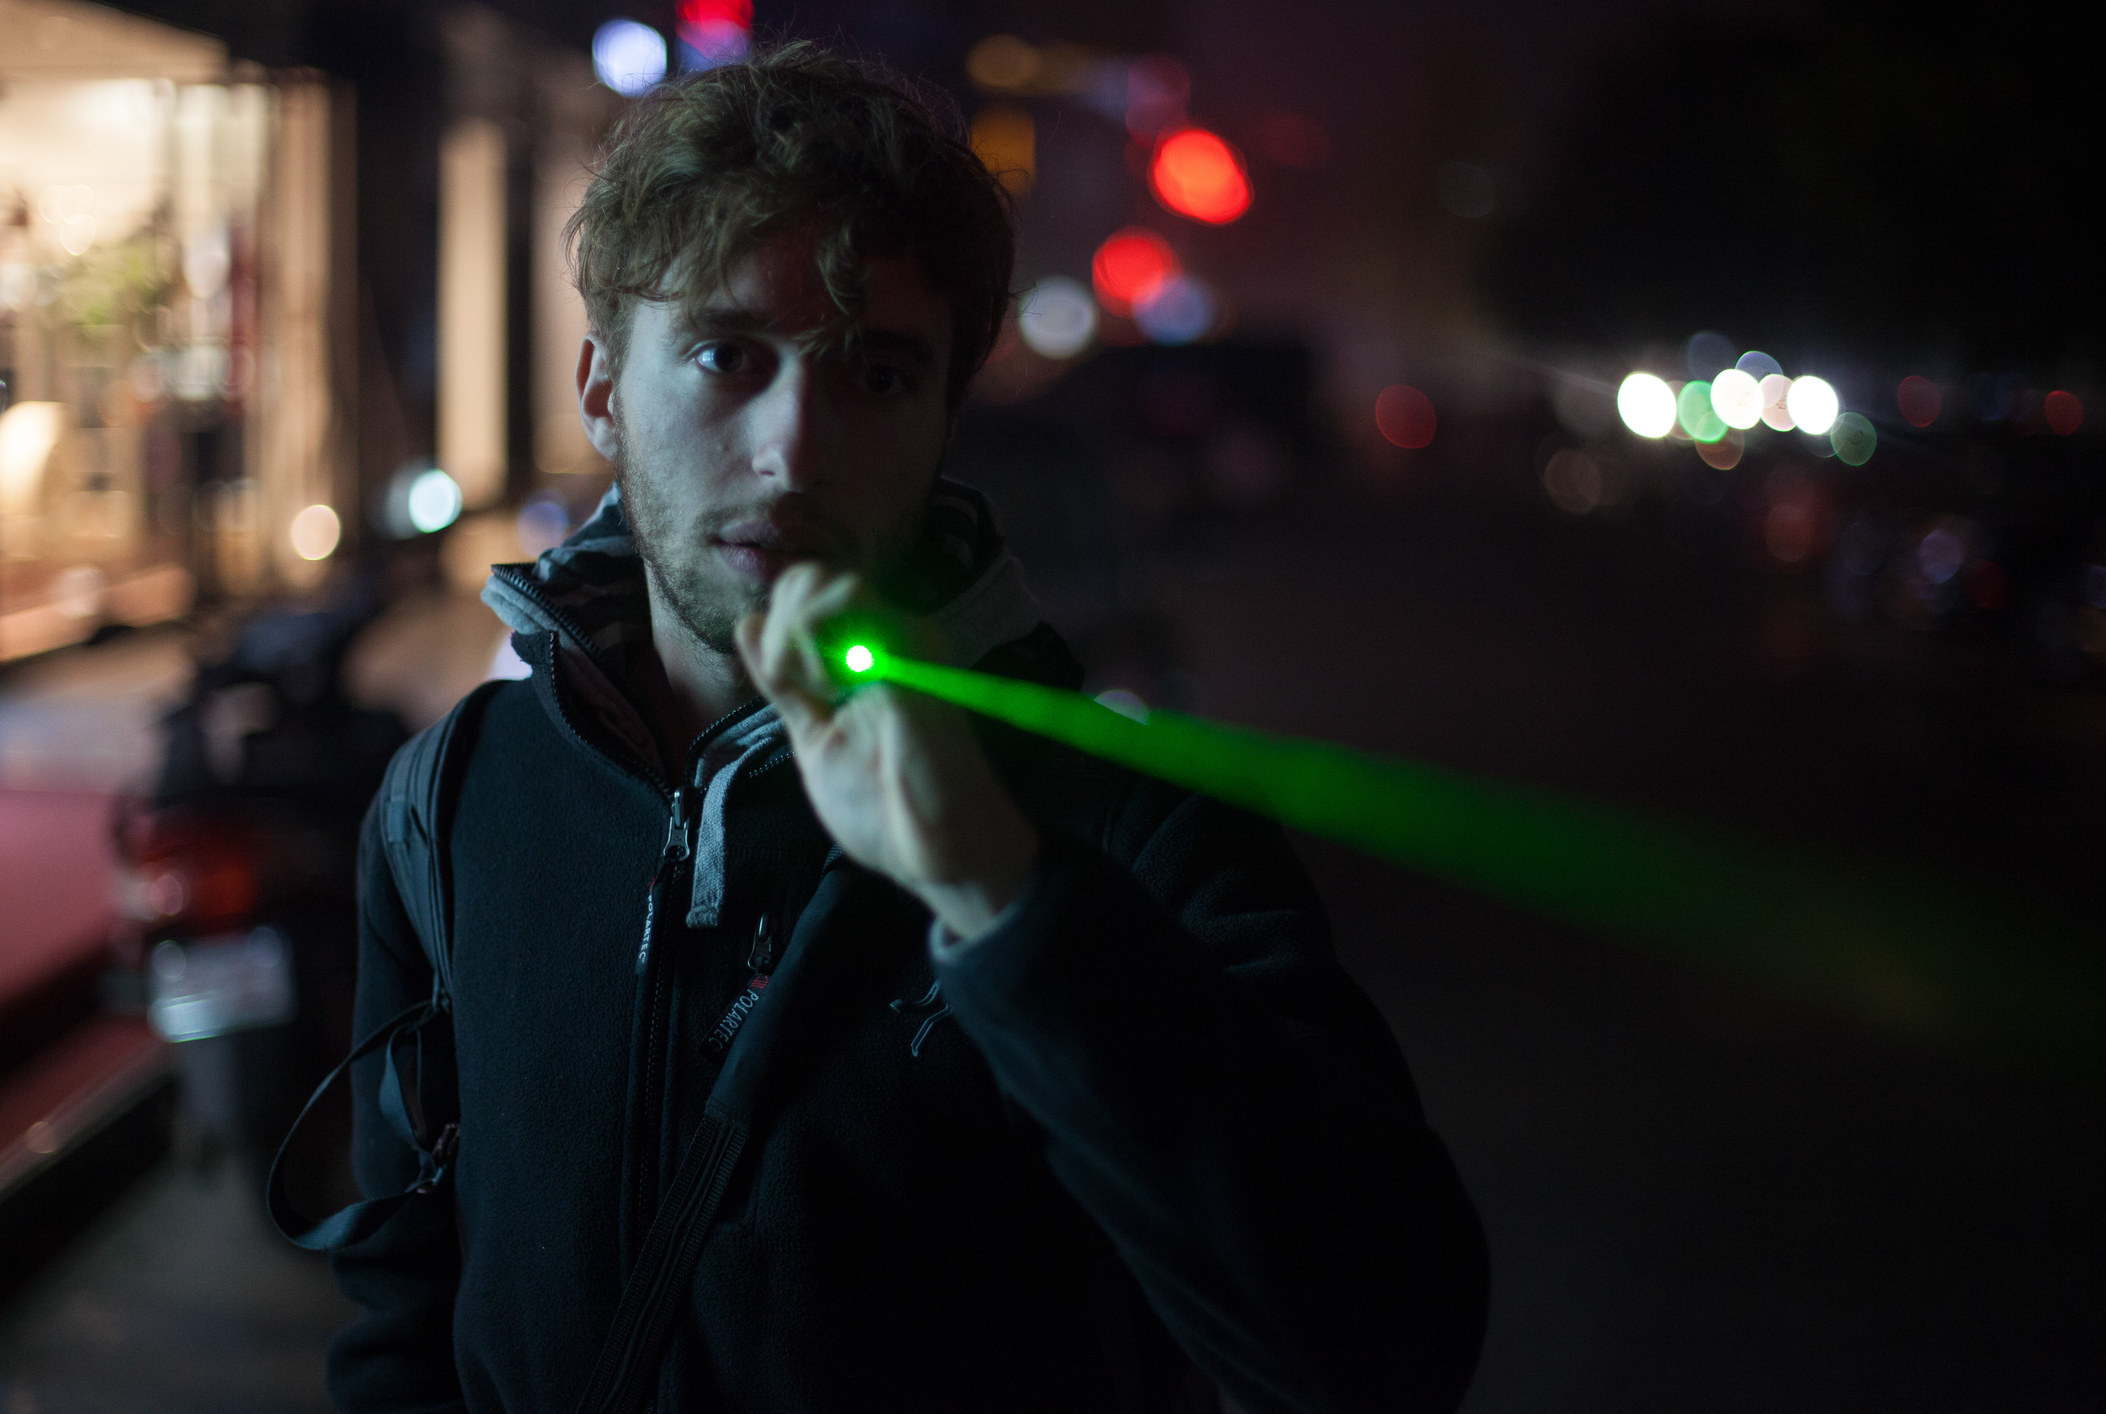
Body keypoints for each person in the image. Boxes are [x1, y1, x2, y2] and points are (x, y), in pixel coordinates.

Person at [326, 43, 1487, 1414]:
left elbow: (1383, 1348)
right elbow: (403, 1290)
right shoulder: (452, 796)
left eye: (874, 374)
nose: (794, 445)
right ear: (600, 388)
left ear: (944, 415)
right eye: (725, 353)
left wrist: (1006, 901)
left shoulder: (1125, 822)